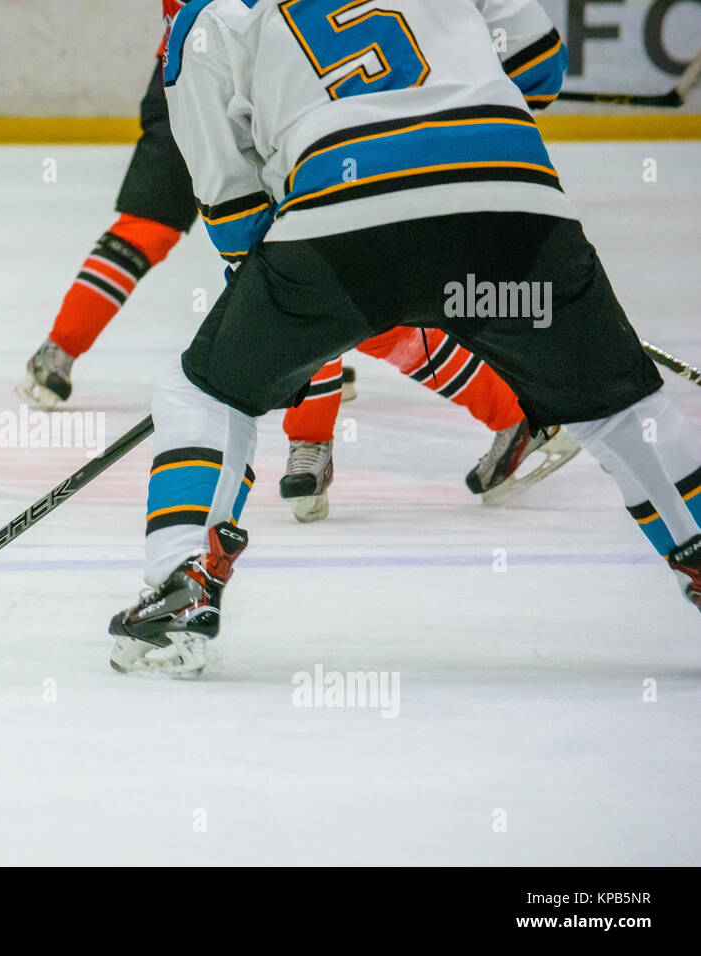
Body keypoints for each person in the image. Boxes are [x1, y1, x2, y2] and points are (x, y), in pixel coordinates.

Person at [108, 0, 701, 677]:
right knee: (621, 407)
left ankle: (179, 586)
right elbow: (540, 66)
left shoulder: (203, 23)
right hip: (512, 206)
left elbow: (237, 213)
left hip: (342, 231)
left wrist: (277, 328)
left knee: (207, 396)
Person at [18, 0, 577, 523]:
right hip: (213, 72)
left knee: (328, 275)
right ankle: (495, 415)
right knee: (305, 278)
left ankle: (322, 436)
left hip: (290, 83)